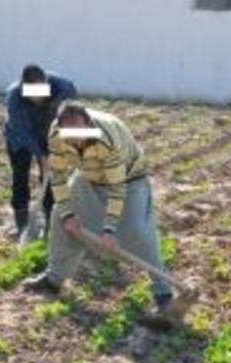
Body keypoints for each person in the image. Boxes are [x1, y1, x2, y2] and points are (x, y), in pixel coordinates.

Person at [23, 102, 176, 322]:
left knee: (137, 230)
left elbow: (117, 188)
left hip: (128, 178)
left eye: (79, 133)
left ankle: (164, 293)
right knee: (59, 216)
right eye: (69, 134)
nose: (74, 140)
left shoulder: (106, 137)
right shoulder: (56, 133)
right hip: (88, 175)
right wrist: (69, 214)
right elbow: (57, 176)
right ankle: (54, 279)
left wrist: (109, 229)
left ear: (88, 124)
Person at [3, 64, 77, 236]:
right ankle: (22, 225)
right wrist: (42, 157)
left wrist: (59, 149)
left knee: (51, 179)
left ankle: (50, 222)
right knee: (20, 176)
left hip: (48, 134)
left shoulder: (64, 89)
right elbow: (23, 132)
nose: (38, 98)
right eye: (33, 94)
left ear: (46, 83)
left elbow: (71, 119)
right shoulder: (14, 97)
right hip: (19, 138)